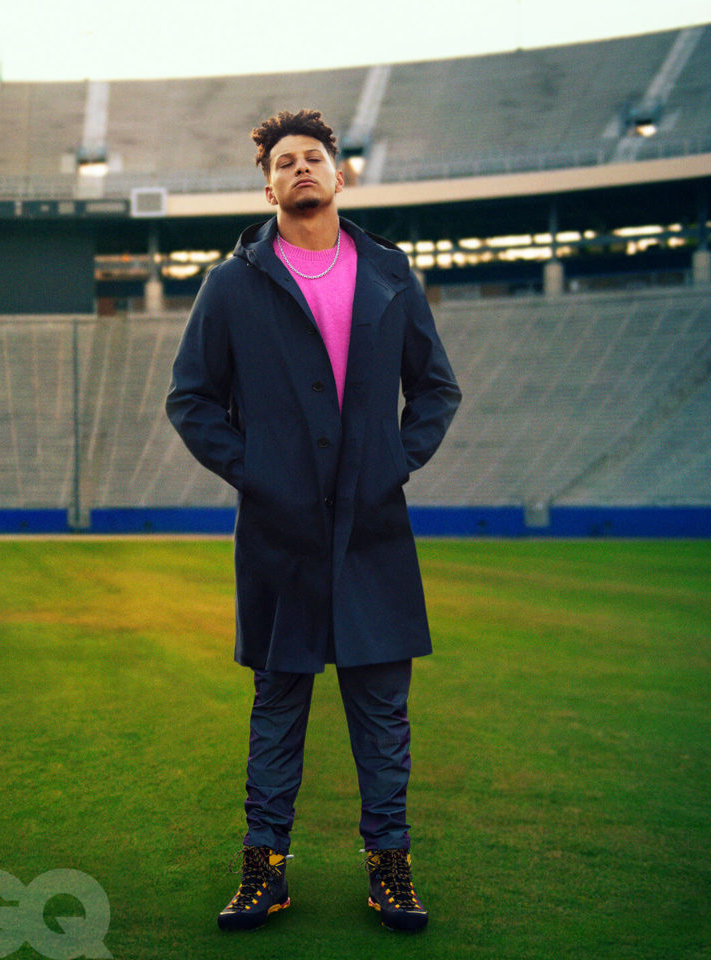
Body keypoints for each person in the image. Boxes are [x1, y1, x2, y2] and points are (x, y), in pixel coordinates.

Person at [166, 108, 461, 933]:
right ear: (267, 184)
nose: (301, 169)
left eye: (314, 158)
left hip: (372, 532)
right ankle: (265, 872)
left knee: (382, 713)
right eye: (285, 161)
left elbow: (435, 387)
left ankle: (390, 869)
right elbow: (190, 401)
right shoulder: (231, 284)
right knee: (277, 704)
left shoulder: (393, 275)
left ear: (341, 176)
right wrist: (259, 473)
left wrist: (396, 461)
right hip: (280, 536)